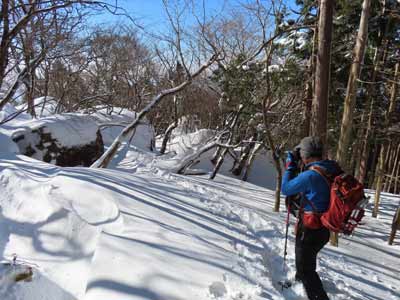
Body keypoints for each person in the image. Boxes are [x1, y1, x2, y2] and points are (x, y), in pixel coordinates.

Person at [282, 136, 341, 300]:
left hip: (310, 228)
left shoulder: (311, 175)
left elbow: (286, 188)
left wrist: (290, 165)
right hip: (324, 227)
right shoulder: (332, 168)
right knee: (307, 260)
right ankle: (300, 280)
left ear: (305, 154)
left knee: (306, 268)